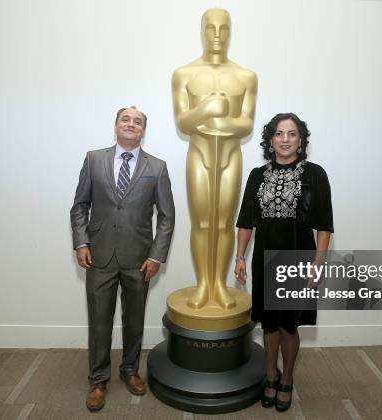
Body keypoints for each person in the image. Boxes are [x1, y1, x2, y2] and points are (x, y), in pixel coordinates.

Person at [70, 106, 175, 412]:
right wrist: (81, 242)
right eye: (125, 120)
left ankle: (130, 370)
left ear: (143, 130)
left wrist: (156, 256)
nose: (131, 124)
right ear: (115, 125)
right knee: (99, 320)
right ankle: (98, 379)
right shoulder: (94, 159)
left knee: (135, 319)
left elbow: (167, 217)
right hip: (98, 255)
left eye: (137, 122)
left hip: (139, 258)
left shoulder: (157, 167)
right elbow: (79, 206)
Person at [234, 113, 333, 412]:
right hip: (264, 259)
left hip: (297, 259)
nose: (285, 139)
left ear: (301, 140)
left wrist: (318, 264)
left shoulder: (315, 174)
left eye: (292, 134)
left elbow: (324, 225)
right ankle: (269, 374)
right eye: (279, 134)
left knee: (289, 325)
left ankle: (287, 377)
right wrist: (239, 256)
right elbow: (245, 221)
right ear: (271, 140)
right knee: (269, 324)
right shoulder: (256, 175)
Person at [172, 8, 258, 310]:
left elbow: (246, 124)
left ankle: (219, 284)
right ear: (202, 31)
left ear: (231, 31)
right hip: (199, 154)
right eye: (211, 28)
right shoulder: (184, 74)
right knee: (202, 222)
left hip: (230, 157)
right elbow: (183, 122)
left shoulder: (246, 76)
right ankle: (203, 285)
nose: (218, 35)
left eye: (224, 28)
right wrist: (207, 109)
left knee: (223, 223)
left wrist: (216, 122)